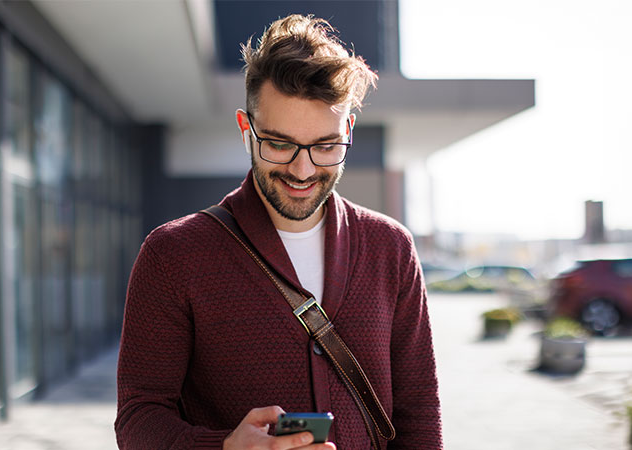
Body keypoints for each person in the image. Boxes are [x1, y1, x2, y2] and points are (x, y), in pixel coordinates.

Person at [115, 14, 441, 450]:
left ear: (348, 131)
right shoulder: (173, 253)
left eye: (326, 146)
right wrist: (225, 448)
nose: (303, 170)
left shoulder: (391, 248)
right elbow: (139, 419)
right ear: (245, 130)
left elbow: (418, 416)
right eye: (281, 144)